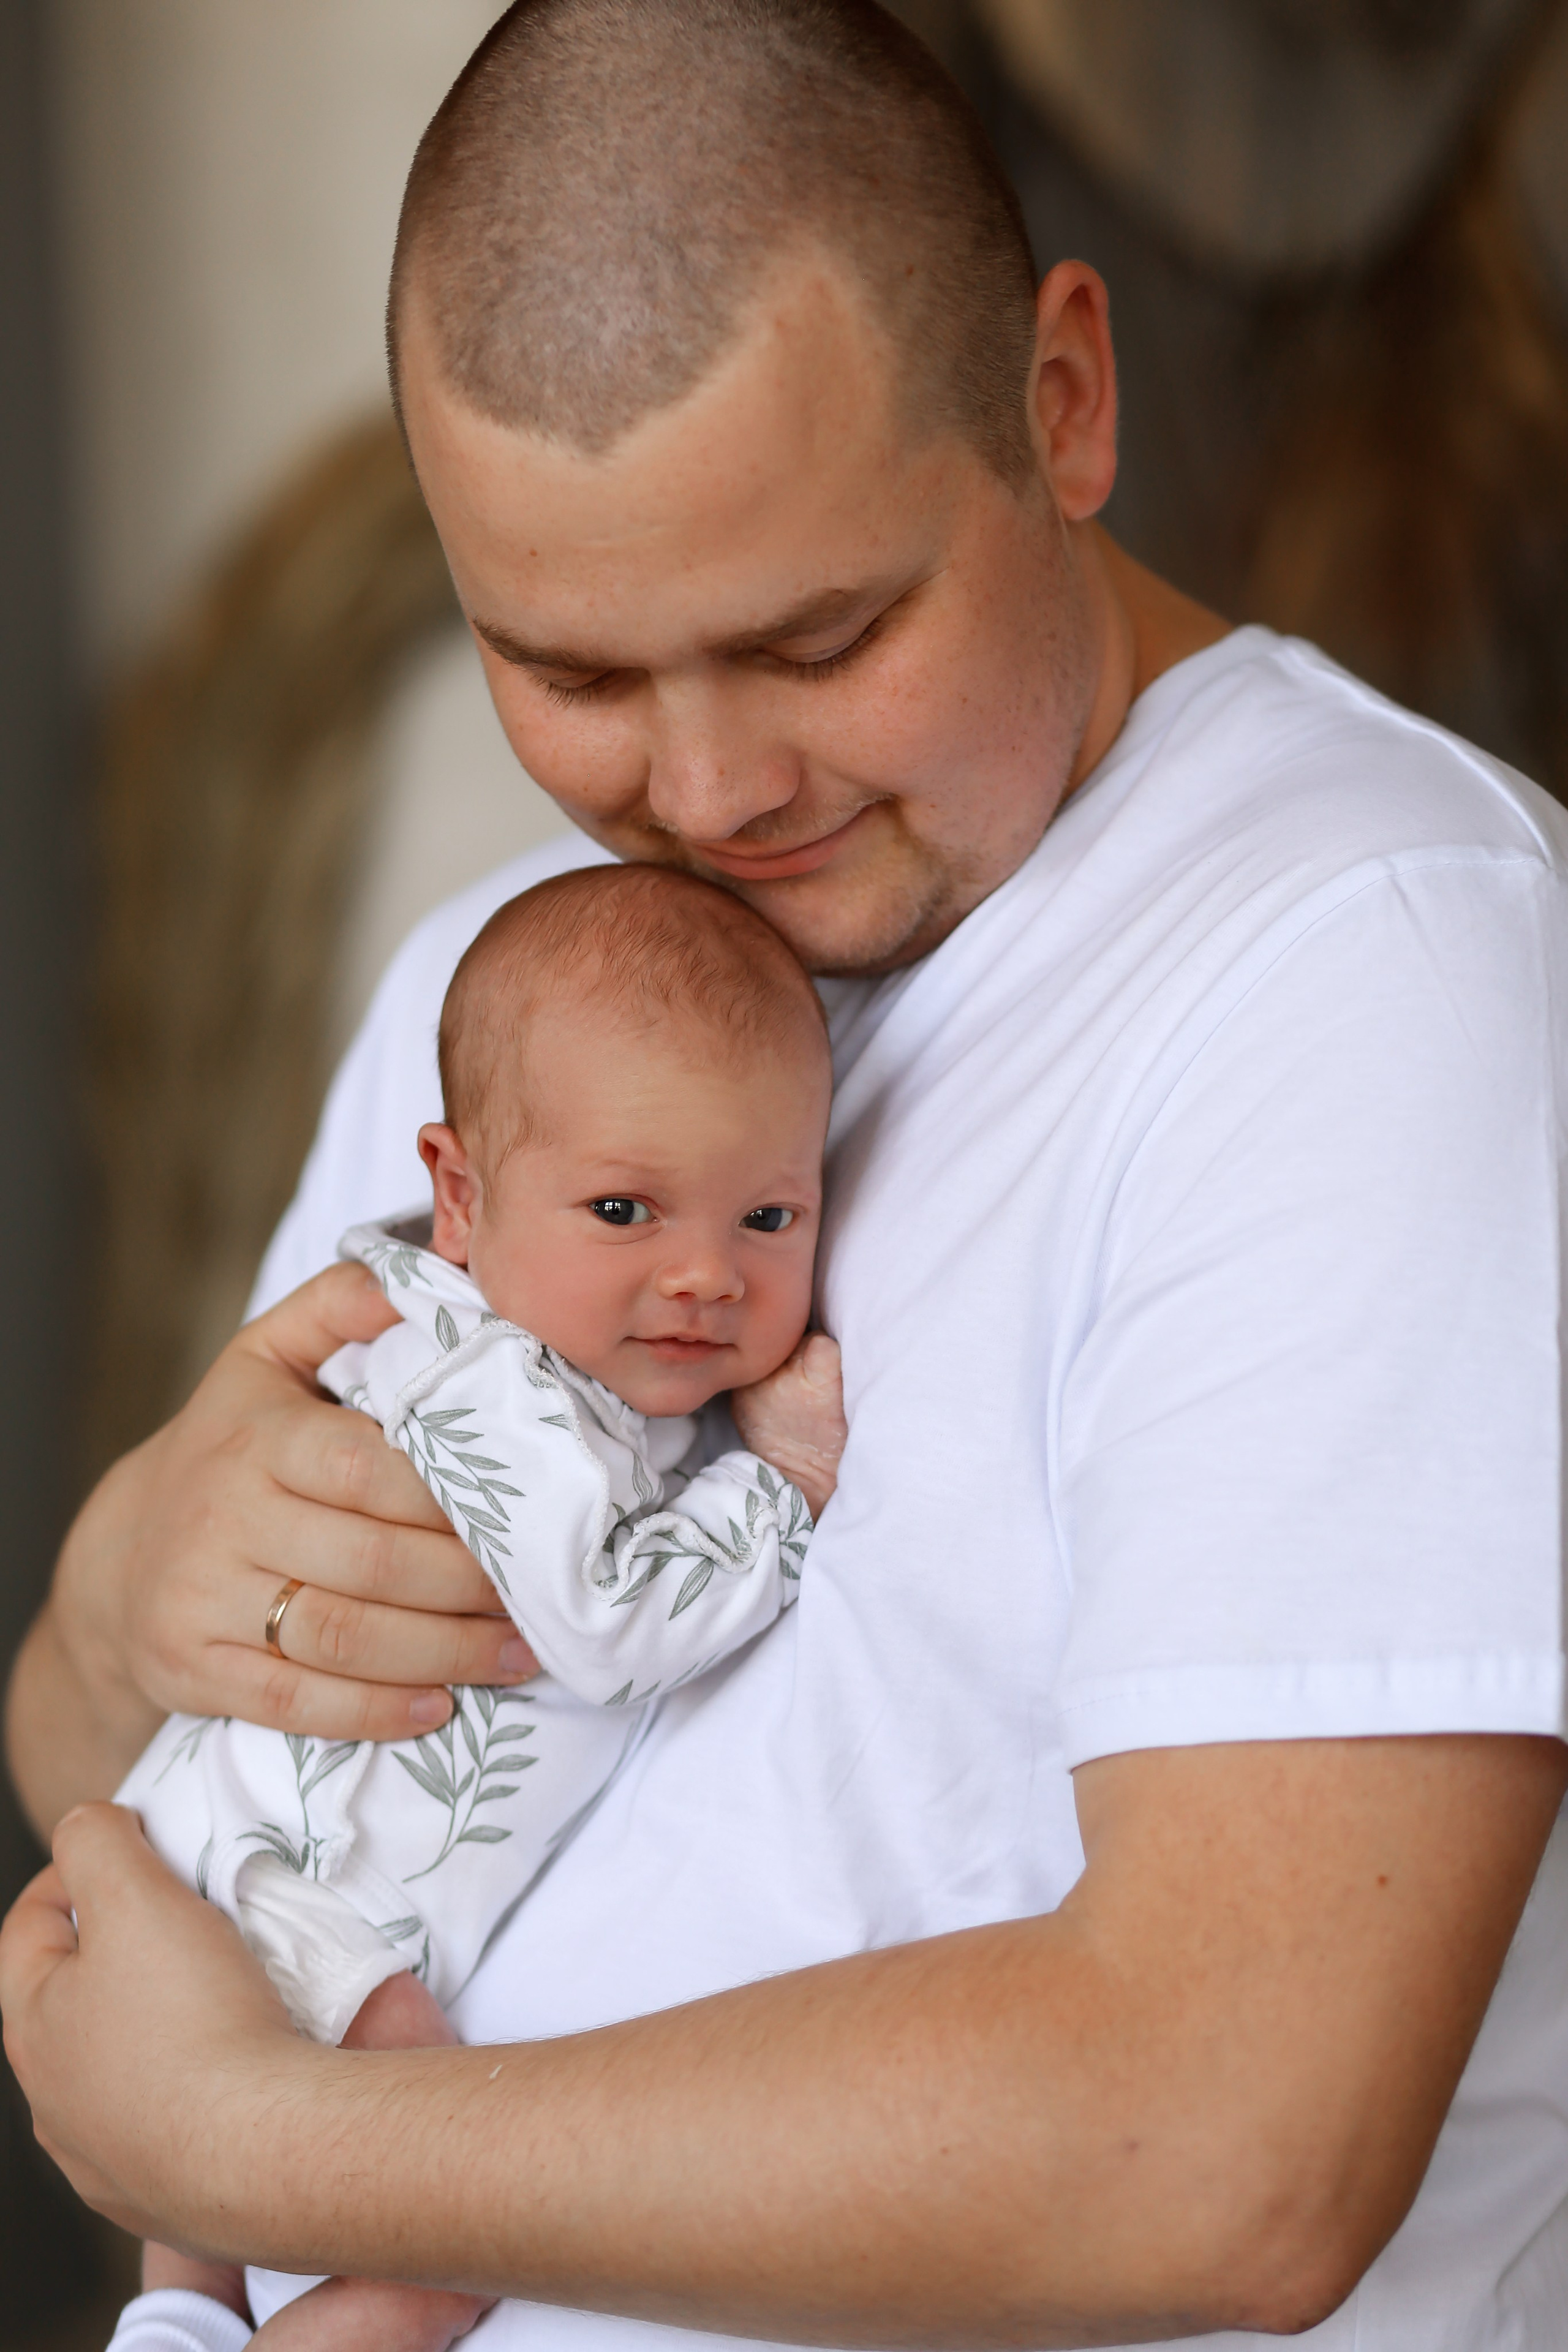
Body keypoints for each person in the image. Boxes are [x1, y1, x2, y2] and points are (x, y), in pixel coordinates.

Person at [5, 3, 1568, 2346]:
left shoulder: (1372, 956)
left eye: (819, 636)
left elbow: (1229, 2142)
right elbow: (124, 1794)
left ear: (1062, 403)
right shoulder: (497, 982)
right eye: (572, 671)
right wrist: (114, 1611)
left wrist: (246, 2149)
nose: (710, 788)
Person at [118, 864, 845, 2347]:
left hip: (214, 1849)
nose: (705, 1276)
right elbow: (609, 1626)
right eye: (624, 1208)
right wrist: (778, 1484)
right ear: (460, 1195)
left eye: (768, 1214)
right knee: (440, 2253)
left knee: (190, 2237)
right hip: (304, 1896)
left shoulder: (517, 1337)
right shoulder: (500, 1394)